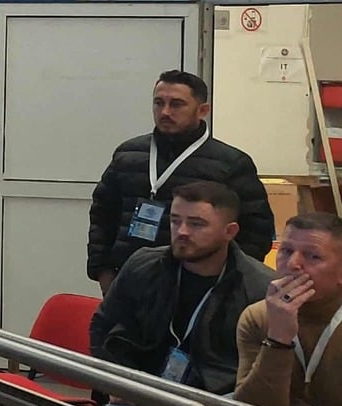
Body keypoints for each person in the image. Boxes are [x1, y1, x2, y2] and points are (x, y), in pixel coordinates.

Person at [91, 181, 274, 406]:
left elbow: (264, 378)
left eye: (197, 224)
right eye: (176, 221)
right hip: (143, 398)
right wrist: (115, 381)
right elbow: (102, 326)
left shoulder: (260, 289)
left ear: (230, 232)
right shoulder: (144, 265)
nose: (182, 231)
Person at [89, 71, 271, 294]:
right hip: (129, 280)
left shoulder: (231, 164)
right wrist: (103, 271)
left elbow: (256, 231)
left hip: (199, 286)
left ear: (202, 110)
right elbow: (102, 215)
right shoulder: (128, 154)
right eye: (159, 103)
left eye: (176, 104)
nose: (165, 112)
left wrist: (229, 283)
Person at [235, 214, 342, 406]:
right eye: (286, 251)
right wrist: (277, 339)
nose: (293, 264)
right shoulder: (259, 317)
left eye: (313, 256)